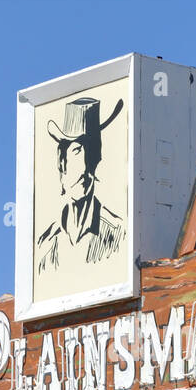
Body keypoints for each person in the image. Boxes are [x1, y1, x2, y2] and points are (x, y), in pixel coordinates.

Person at [36, 95, 125, 274]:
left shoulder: (116, 233)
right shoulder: (46, 244)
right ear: (62, 164)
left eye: (91, 152)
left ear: (98, 158)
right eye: (77, 151)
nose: (85, 166)